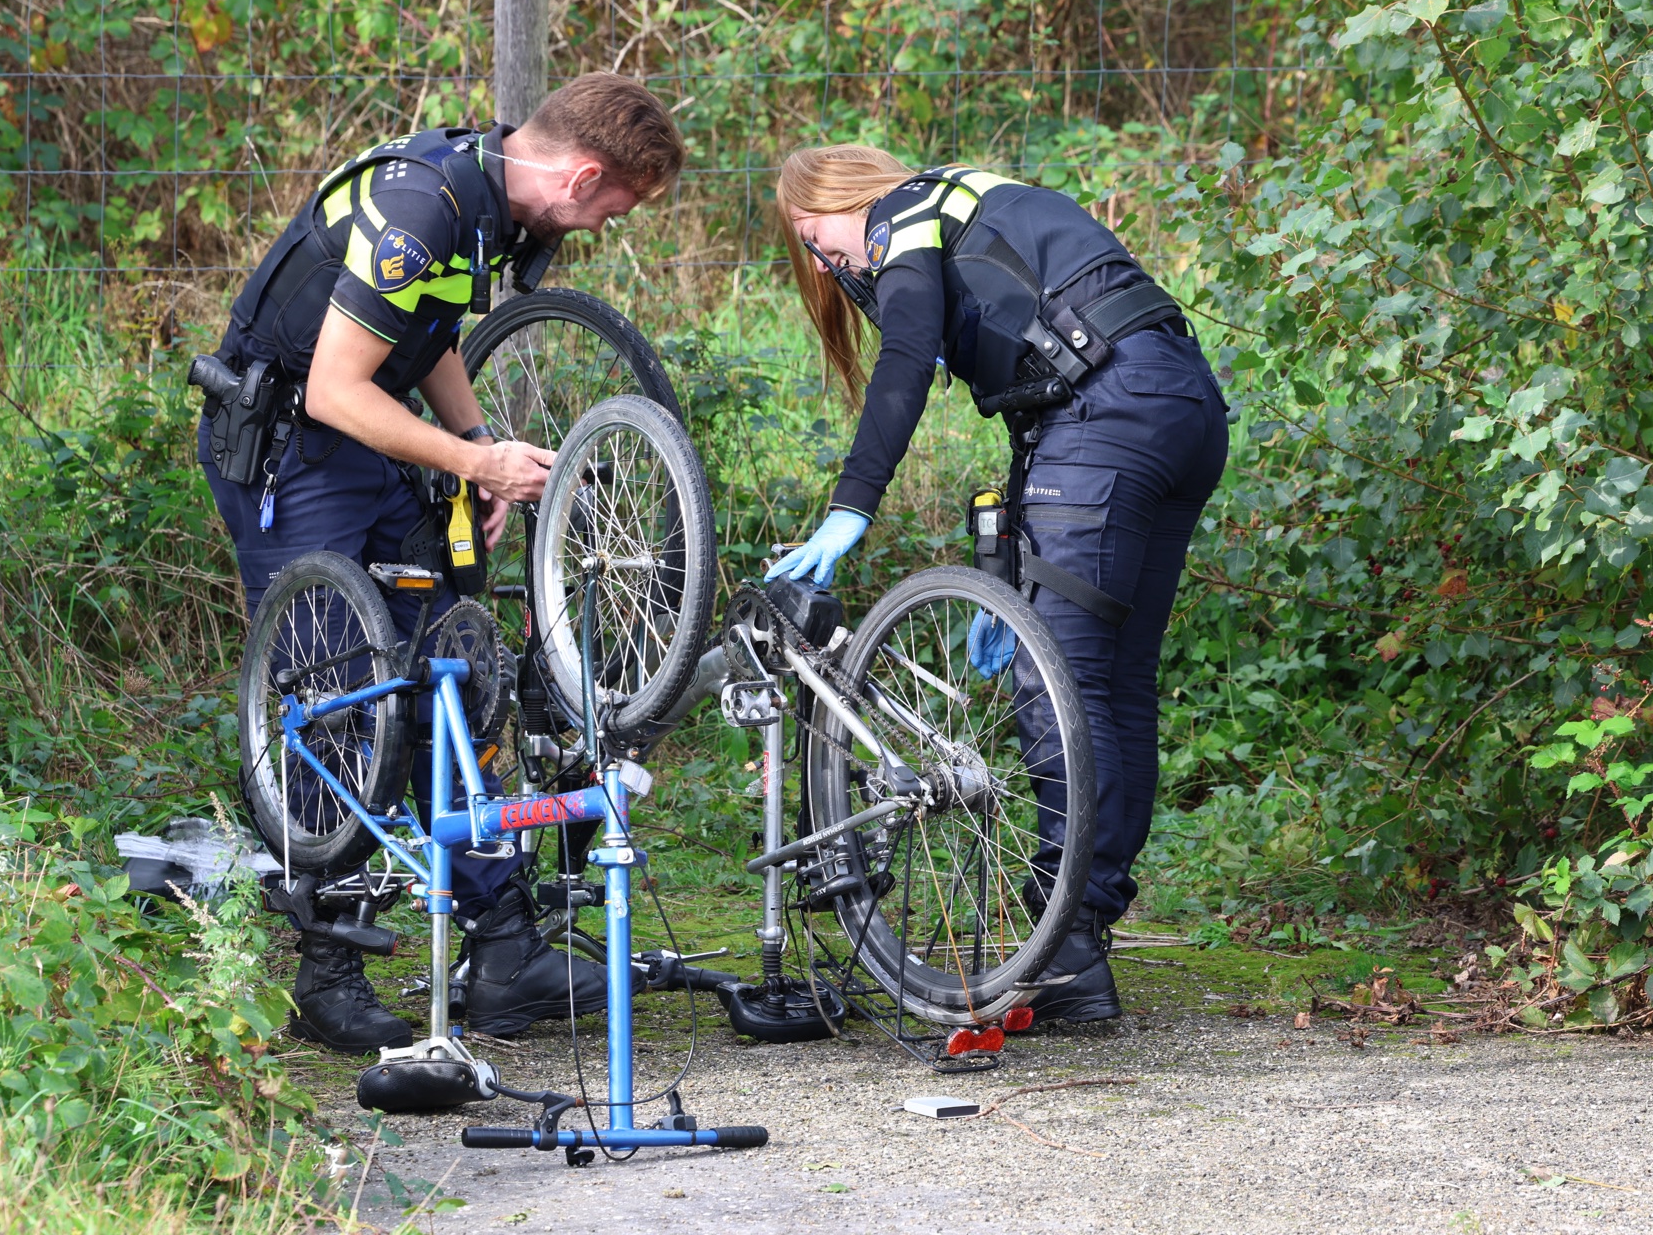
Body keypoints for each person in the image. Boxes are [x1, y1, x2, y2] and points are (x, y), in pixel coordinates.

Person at [199, 73, 685, 1052]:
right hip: (294, 442)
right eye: (613, 210)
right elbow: (335, 388)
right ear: (580, 177)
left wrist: (475, 443)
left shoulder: (486, 192)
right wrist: (475, 465)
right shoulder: (427, 202)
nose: (602, 228)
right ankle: (327, 970)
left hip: (368, 445)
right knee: (334, 693)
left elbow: (425, 335)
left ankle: (502, 950)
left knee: (449, 672)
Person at [771, 145, 1229, 1024]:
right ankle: (1080, 928)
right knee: (1114, 679)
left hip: (1107, 415)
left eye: (814, 235)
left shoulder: (903, 215)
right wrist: (1009, 572)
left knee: (1056, 680)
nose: (825, 262)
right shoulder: (976, 202)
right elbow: (1048, 395)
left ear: (847, 200)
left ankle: (1066, 948)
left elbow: (908, 356)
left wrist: (851, 504)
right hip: (1181, 409)